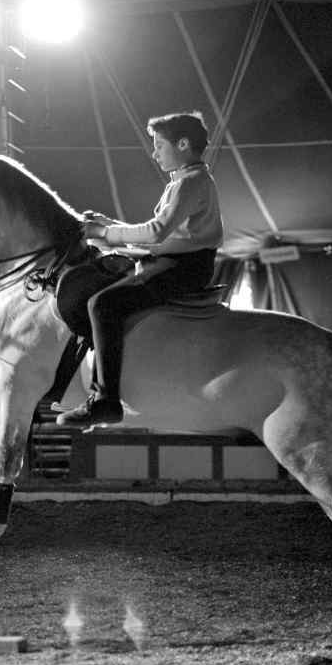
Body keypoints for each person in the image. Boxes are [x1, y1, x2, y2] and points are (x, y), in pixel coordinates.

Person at [57, 111, 224, 428]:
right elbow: (161, 233)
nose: (155, 153)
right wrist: (110, 227)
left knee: (102, 304)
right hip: (174, 261)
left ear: (183, 144)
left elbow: (157, 232)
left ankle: (105, 400)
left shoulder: (190, 183)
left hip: (183, 268)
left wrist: (105, 233)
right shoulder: (185, 181)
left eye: (159, 145)